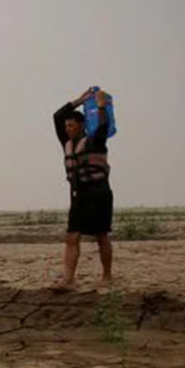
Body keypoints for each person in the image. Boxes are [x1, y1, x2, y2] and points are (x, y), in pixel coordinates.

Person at [52, 88, 114, 291]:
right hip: (79, 197)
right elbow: (58, 115)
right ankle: (69, 279)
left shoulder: (95, 140)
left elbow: (104, 125)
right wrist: (81, 99)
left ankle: (107, 275)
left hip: (99, 195)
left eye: (71, 125)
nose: (67, 128)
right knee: (72, 237)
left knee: (101, 236)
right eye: (66, 126)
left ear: (81, 125)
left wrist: (101, 106)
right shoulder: (67, 143)